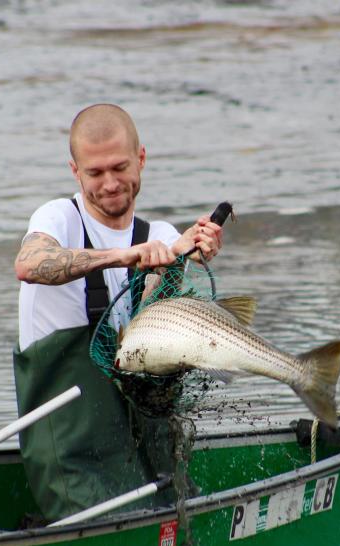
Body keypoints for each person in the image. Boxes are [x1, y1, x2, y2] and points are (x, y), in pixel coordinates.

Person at [13, 104, 223, 522]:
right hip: (73, 458)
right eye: (95, 172)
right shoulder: (58, 218)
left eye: (119, 167)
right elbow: (29, 264)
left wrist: (180, 259)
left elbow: (153, 333)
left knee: (183, 520)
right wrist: (120, 255)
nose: (109, 183)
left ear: (140, 159)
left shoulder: (160, 237)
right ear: (75, 171)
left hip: (151, 448)